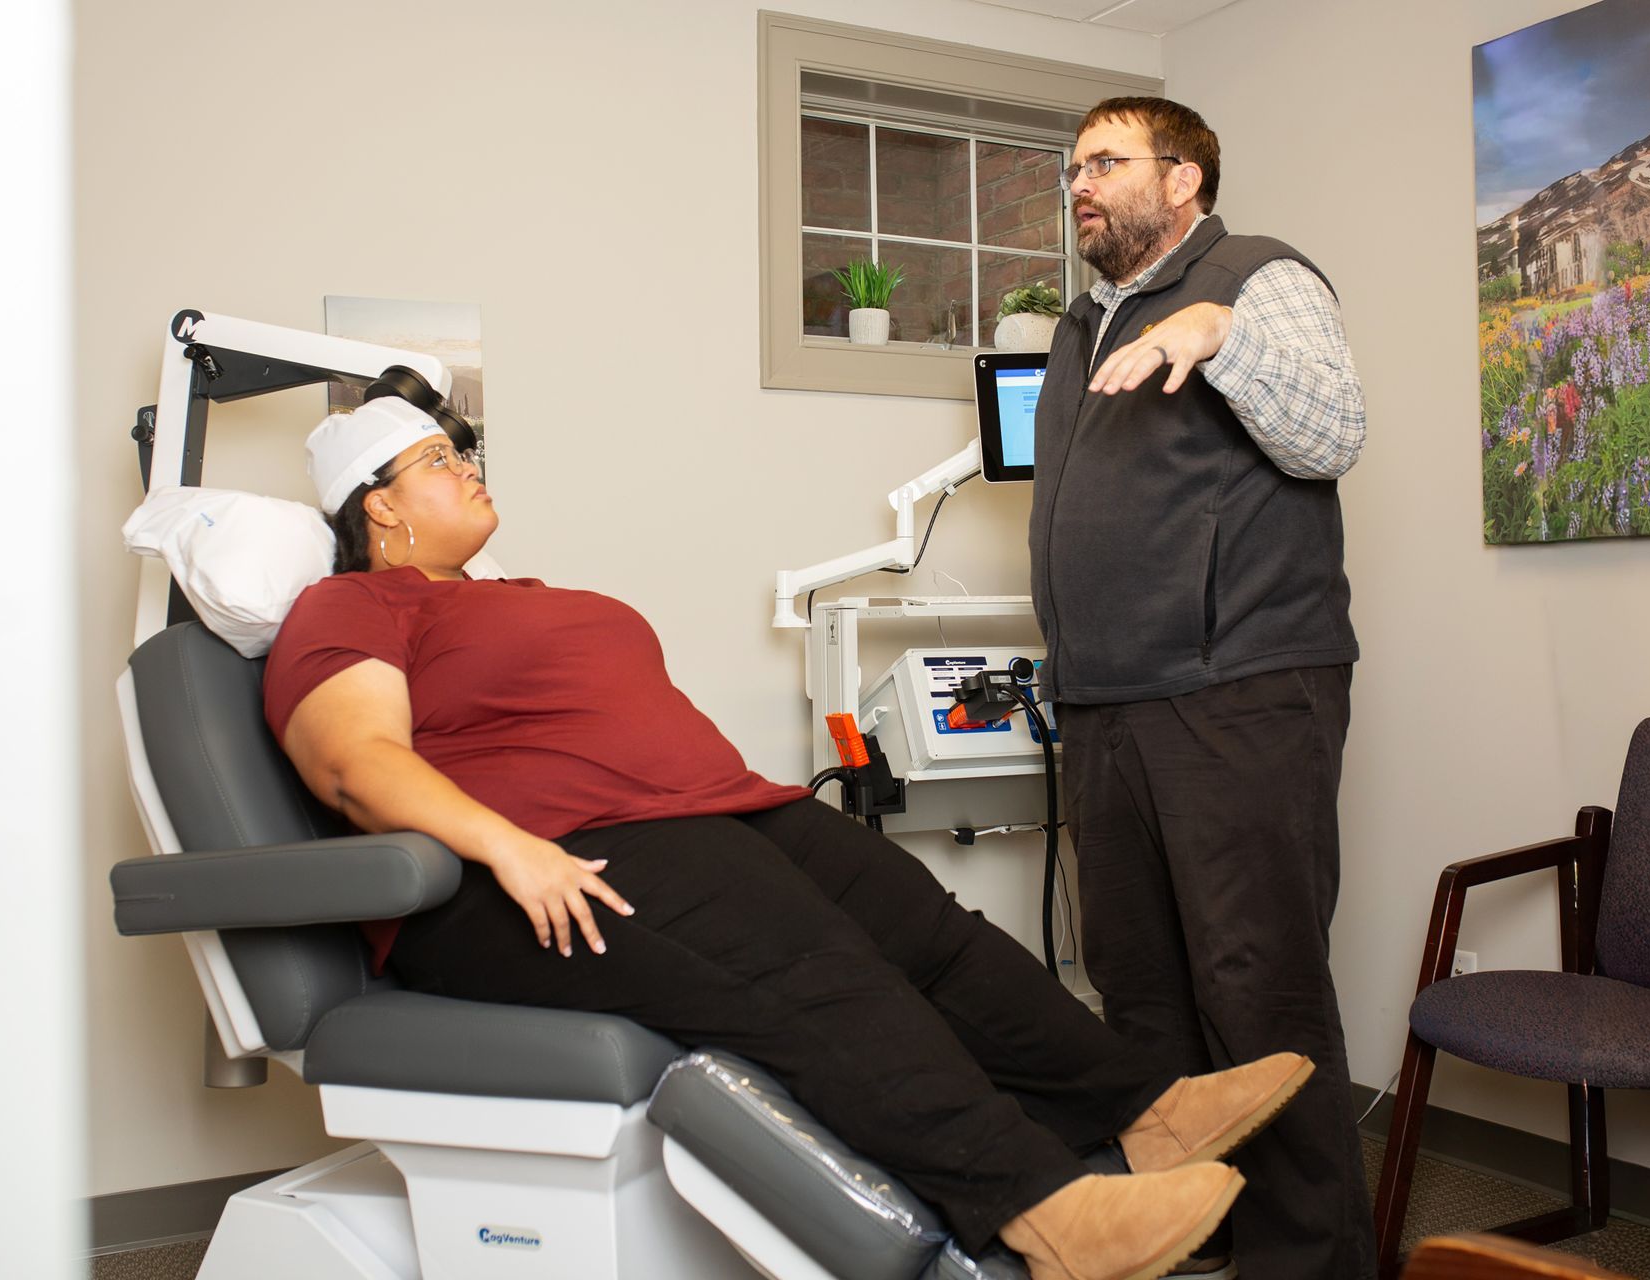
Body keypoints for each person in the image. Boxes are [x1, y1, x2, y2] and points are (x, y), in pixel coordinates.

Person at [263, 395, 1314, 1280]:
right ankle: (1044, 1210)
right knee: (822, 978)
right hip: (553, 850)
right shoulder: (348, 604)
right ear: (381, 506)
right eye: (438, 460)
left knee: (932, 932)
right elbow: (355, 762)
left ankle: (1144, 1106)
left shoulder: (513, 597)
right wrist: (509, 846)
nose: (470, 468)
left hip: (708, 805)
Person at [1027, 96, 1374, 1280]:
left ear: (1182, 180)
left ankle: (1309, 1260)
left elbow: (1332, 435)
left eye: (1106, 161)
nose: (1080, 180)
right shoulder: (1079, 326)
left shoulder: (1257, 275)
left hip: (1238, 687)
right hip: (1106, 700)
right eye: (1074, 165)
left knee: (1257, 988)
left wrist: (1223, 333)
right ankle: (1191, 1234)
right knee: (1141, 992)